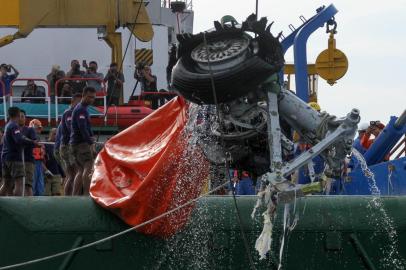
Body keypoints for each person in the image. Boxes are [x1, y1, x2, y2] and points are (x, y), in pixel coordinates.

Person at [0, 107, 38, 196]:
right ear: (17, 114)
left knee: (7, 183)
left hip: (5, 157)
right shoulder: (14, 125)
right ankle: (18, 206)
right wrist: (33, 142)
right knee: (19, 182)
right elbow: (19, 139)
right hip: (15, 158)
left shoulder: (7, 125)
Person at [69, 87, 96, 195]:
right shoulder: (81, 109)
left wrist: (91, 136)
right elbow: (82, 128)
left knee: (80, 171)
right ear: (83, 95)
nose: (91, 100)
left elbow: (86, 128)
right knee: (88, 167)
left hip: (75, 144)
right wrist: (90, 142)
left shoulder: (81, 109)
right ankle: (86, 195)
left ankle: (75, 196)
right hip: (81, 144)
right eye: (89, 97)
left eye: (93, 98)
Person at [60, 93, 82, 195]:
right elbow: (70, 128)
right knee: (77, 171)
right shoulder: (70, 113)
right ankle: (74, 196)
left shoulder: (69, 113)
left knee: (71, 175)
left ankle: (68, 196)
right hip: (68, 146)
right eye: (78, 102)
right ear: (72, 101)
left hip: (65, 146)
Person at [19, 110, 37, 196]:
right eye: (19, 116)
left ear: (25, 118)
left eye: (22, 116)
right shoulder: (12, 129)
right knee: (15, 184)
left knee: (27, 185)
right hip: (16, 161)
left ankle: (30, 206)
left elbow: (35, 141)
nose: (20, 118)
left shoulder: (30, 129)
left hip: (28, 161)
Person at [44, 128, 63, 196]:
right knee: (47, 194)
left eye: (57, 134)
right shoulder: (45, 145)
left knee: (57, 194)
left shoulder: (59, 146)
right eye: (54, 134)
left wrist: (63, 175)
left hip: (57, 174)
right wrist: (46, 170)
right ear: (50, 134)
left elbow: (59, 162)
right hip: (47, 174)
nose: (56, 136)